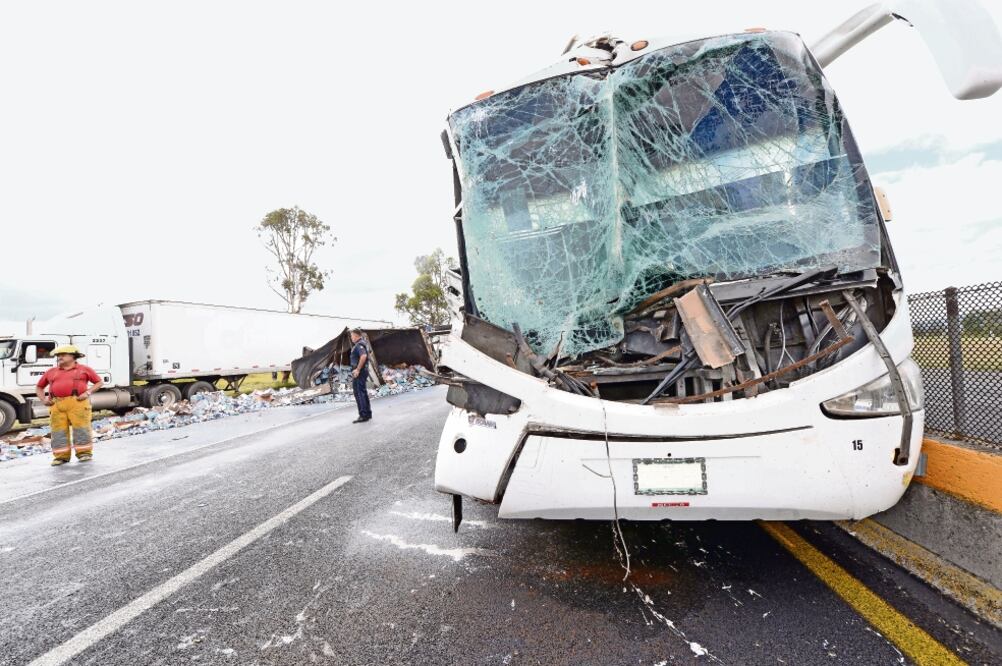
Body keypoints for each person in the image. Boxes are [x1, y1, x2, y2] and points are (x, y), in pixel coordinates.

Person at [35, 345, 103, 466]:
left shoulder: (84, 369)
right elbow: (39, 387)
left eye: (63, 355)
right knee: (58, 431)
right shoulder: (51, 372)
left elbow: (99, 382)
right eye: (58, 355)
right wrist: (43, 399)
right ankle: (61, 457)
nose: (59, 357)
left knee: (81, 429)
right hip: (56, 405)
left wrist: (87, 393)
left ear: (73, 356)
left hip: (78, 403)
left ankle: (84, 453)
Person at [349, 329, 372, 423]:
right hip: (362, 371)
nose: (351, 338)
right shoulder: (363, 343)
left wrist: (358, 369)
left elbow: (363, 356)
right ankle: (368, 413)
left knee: (359, 392)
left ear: (356, 335)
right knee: (362, 392)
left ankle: (363, 415)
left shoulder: (359, 345)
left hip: (359, 372)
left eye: (352, 336)